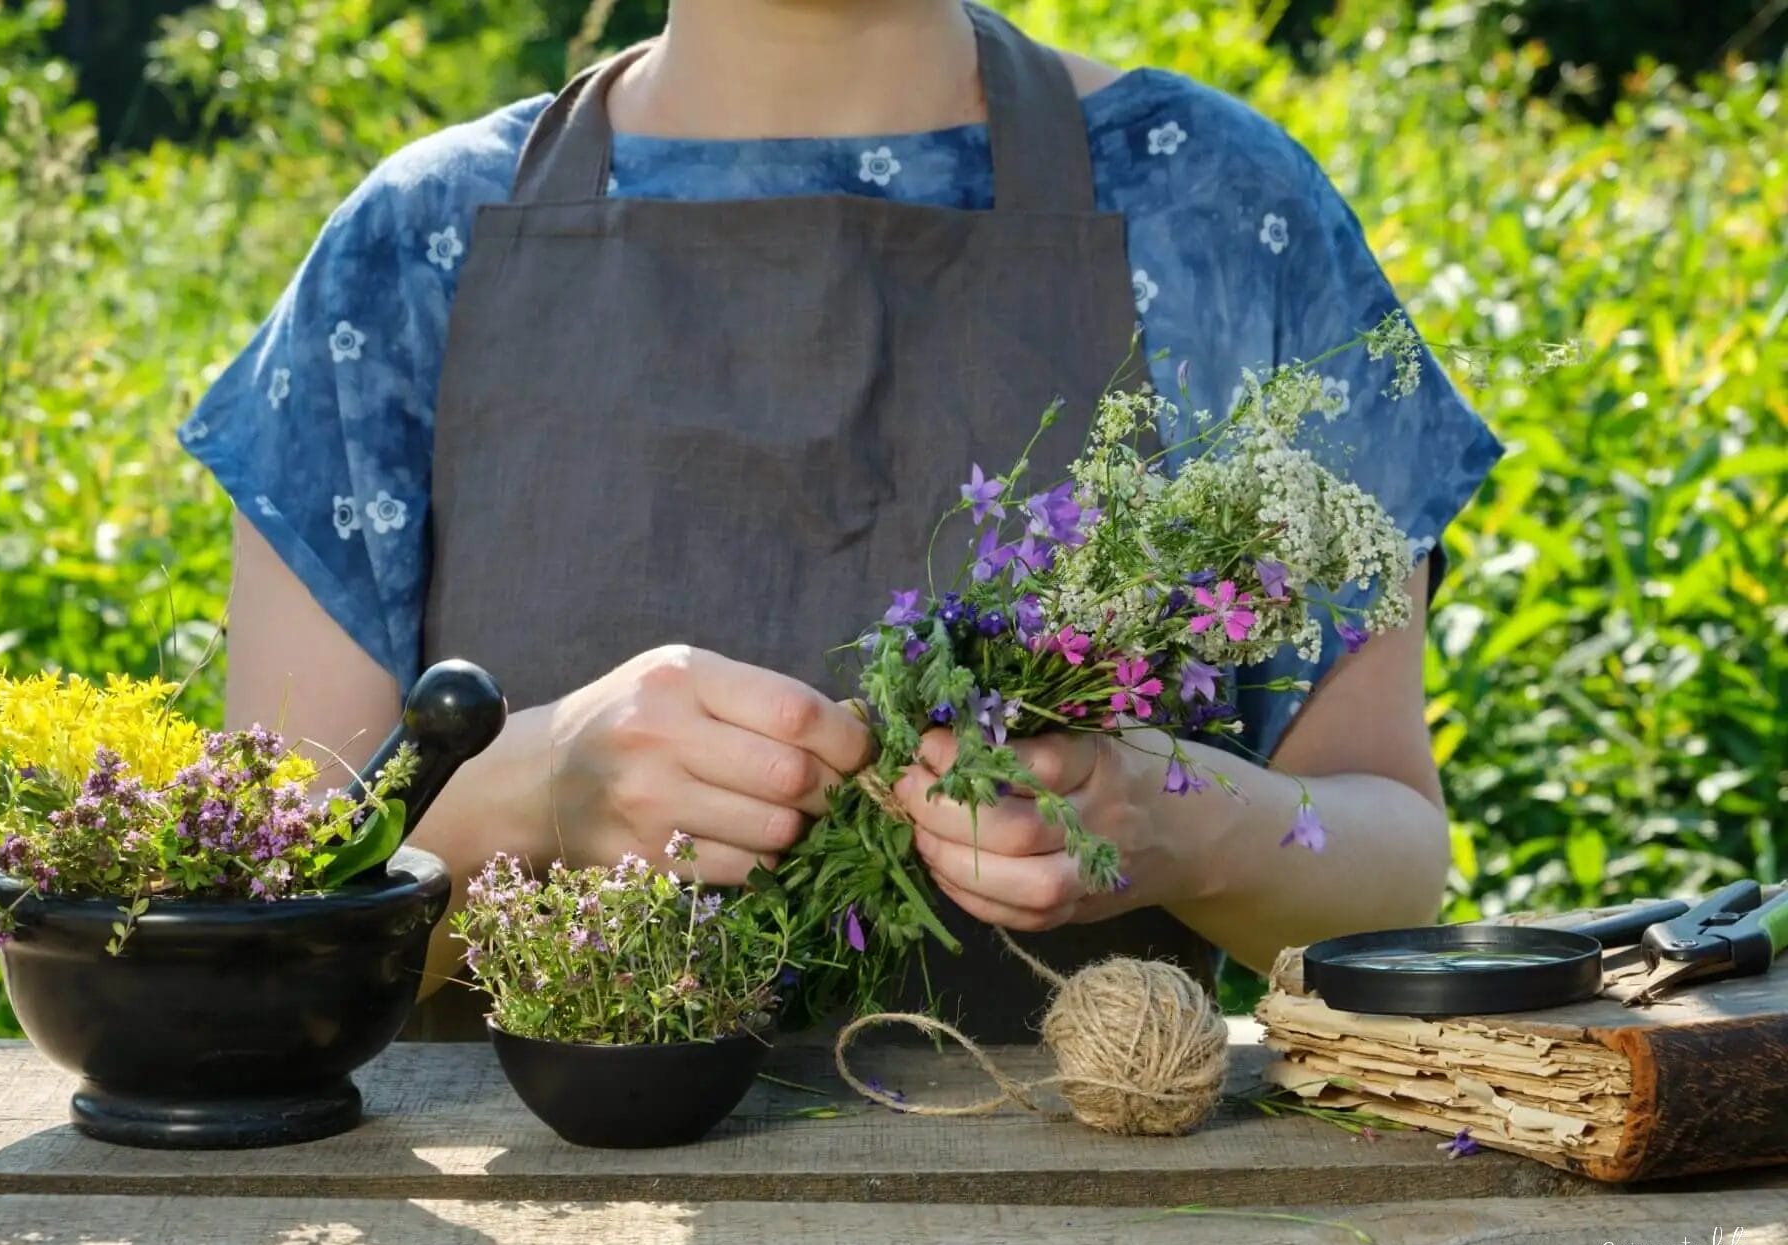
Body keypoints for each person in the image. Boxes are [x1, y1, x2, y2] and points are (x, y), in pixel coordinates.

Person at [181, 0, 1502, 1040]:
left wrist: (1177, 816)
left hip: (1087, 1220)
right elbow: (239, 944)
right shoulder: (412, 251)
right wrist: (528, 794)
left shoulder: (1220, 214)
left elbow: (1389, 862)